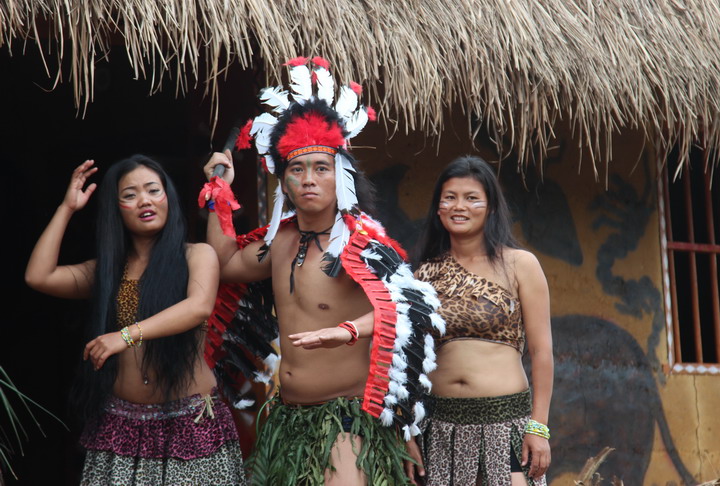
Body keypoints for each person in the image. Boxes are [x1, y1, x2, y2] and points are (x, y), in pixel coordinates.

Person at [200, 57, 441, 486]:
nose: (308, 179)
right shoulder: (278, 242)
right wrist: (220, 193)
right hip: (288, 421)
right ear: (283, 181)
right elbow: (223, 263)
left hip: (346, 420)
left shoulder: (363, 242)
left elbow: (409, 313)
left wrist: (346, 331)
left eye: (321, 168)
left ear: (341, 177)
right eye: (297, 169)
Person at [25, 155, 245, 485]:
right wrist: (67, 208)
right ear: (117, 209)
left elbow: (197, 308)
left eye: (153, 190)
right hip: (120, 426)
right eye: (129, 195)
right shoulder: (107, 271)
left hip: (190, 423)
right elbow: (39, 276)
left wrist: (124, 335)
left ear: (167, 197)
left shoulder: (196, 255)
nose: (144, 200)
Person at [412, 155, 553, 486]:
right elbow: (409, 360)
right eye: (450, 197)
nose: (459, 206)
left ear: (490, 207)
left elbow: (542, 351)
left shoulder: (520, 264)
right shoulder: (422, 274)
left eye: (471, 197)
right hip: (438, 428)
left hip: (505, 424)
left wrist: (539, 426)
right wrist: (408, 430)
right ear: (438, 208)